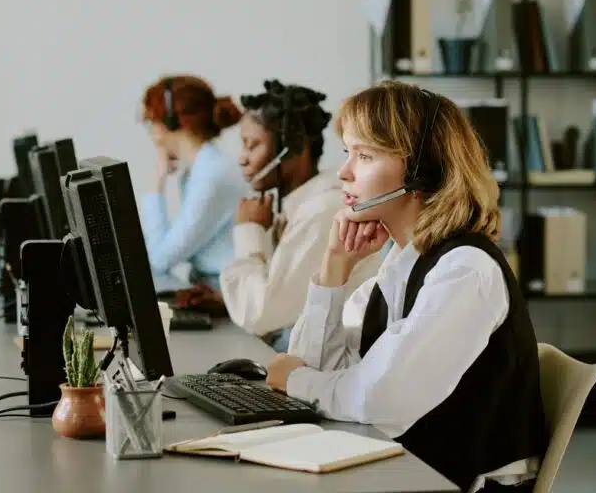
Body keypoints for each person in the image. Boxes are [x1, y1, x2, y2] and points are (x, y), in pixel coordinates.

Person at [265, 80, 548, 492]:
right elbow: (323, 367)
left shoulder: (464, 270)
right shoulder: (401, 265)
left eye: (364, 155)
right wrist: (334, 267)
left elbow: (380, 400)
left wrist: (295, 381)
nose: (344, 172)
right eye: (349, 153)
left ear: (421, 169)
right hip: (416, 471)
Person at [181, 80, 380, 350]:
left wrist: (249, 232)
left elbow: (260, 316)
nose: (242, 159)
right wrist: (227, 299)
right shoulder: (295, 206)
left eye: (253, 146)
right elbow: (283, 299)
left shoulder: (323, 211)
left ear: (293, 149)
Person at [140, 75, 247, 287]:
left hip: (229, 295)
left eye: (151, 123)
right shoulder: (200, 170)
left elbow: (161, 258)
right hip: (212, 285)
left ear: (169, 124)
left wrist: (157, 180)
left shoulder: (212, 176)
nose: (152, 136)